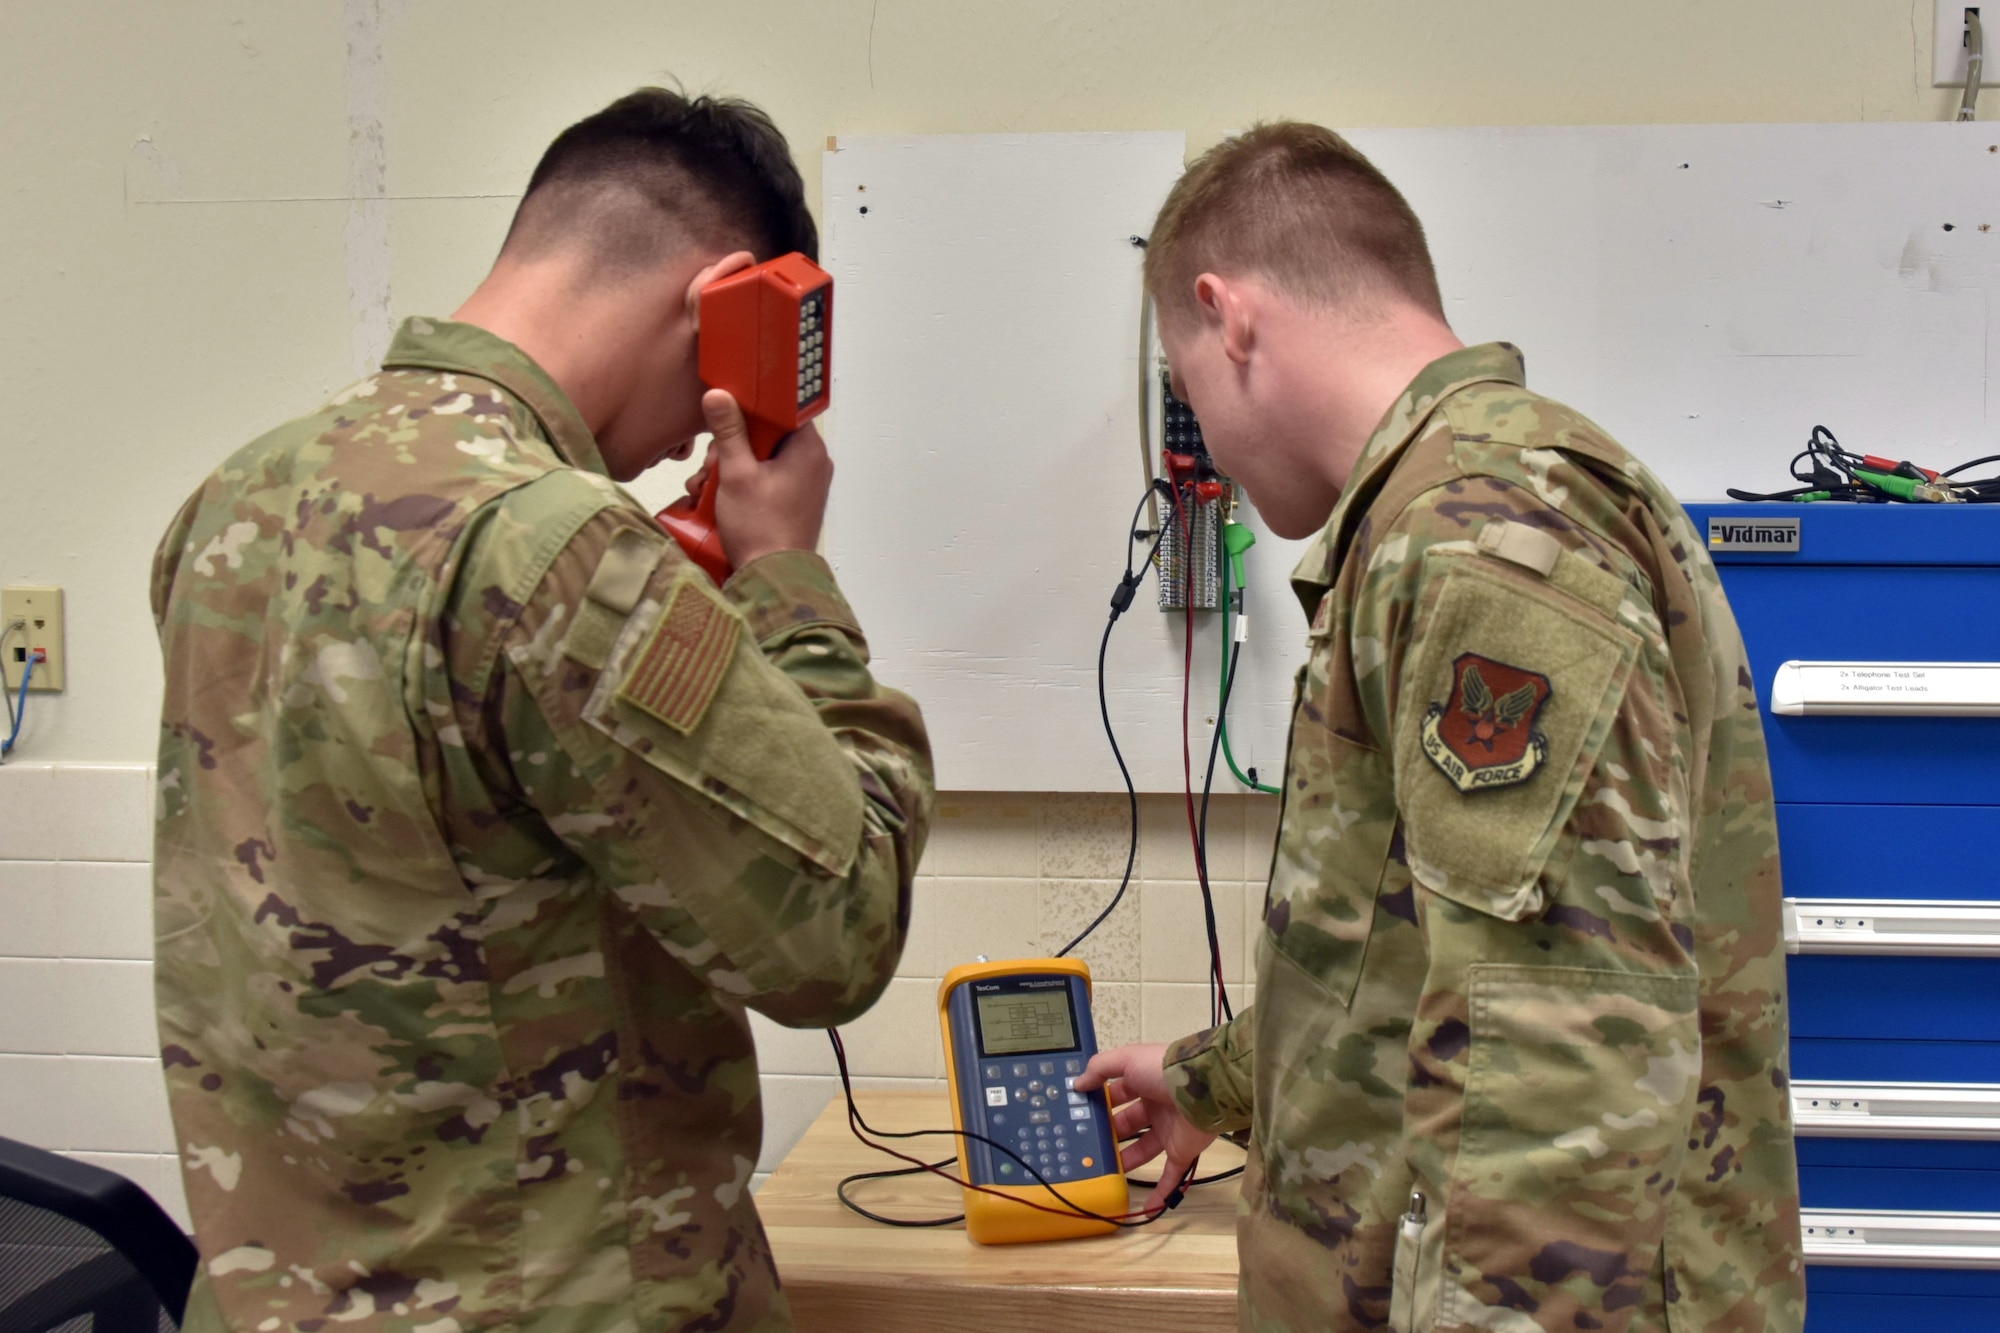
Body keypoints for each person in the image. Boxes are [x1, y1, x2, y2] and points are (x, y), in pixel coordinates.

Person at [150, 88, 932, 1333]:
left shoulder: (237, 498)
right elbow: (835, 932)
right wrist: (789, 582)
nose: (688, 436)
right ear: (719, 296)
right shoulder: (552, 546)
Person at [1078, 123, 1803, 1333]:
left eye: (1184, 381)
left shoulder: (1475, 541)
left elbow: (1556, 1072)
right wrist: (1214, 1080)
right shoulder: (1453, 512)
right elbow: (1412, 943)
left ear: (1227, 315)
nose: (1198, 428)